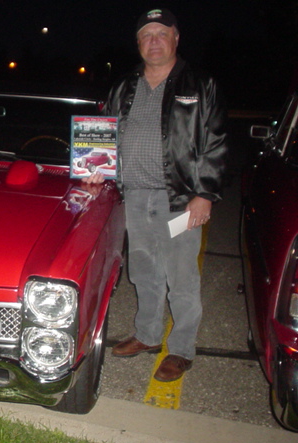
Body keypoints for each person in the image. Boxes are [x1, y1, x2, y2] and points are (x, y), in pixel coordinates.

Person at [85, 8, 228, 381]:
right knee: (143, 271)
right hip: (134, 197)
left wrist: (205, 194)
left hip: (180, 199)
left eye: (161, 33)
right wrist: (94, 171)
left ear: (176, 38)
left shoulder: (199, 84)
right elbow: (104, 134)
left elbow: (215, 142)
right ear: (138, 43)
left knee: (181, 276)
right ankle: (148, 335)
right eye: (146, 35)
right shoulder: (124, 85)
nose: (154, 41)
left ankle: (181, 349)